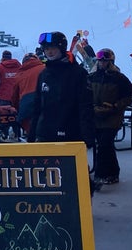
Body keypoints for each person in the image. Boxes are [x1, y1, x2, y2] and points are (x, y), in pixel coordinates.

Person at [29, 32, 95, 190]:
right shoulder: (44, 74)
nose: (49, 52)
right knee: (45, 177)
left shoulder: (78, 74)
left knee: (73, 177)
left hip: (70, 134)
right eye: (46, 49)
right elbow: (37, 106)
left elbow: (85, 106)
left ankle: (80, 209)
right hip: (45, 134)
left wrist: (88, 135)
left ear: (61, 48)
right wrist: (32, 134)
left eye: (52, 48)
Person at [89, 48, 132, 188]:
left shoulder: (119, 78)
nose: (102, 63)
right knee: (105, 146)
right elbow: (85, 94)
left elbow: (128, 97)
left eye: (105, 60)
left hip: (112, 118)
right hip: (96, 116)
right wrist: (93, 107)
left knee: (104, 145)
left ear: (111, 62)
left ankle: (101, 175)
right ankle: (113, 172)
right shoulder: (92, 77)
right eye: (100, 60)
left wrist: (115, 106)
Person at [0, 50, 21, 141]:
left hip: (4, 96)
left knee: (4, 116)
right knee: (16, 115)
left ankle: (4, 135)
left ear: (3, 57)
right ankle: (17, 135)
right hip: (17, 96)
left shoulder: (0, 67)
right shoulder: (18, 66)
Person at [11, 53, 44, 136]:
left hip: (26, 104)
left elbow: (14, 96)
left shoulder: (19, 74)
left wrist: (16, 108)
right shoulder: (44, 68)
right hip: (43, 103)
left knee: (31, 132)